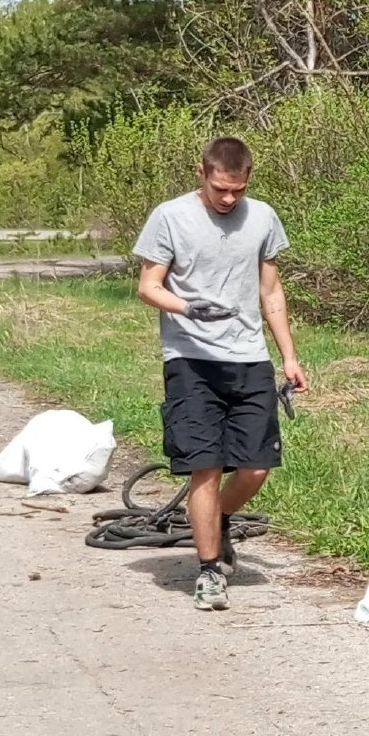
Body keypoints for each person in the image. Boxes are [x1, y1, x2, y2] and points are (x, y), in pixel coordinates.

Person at [133, 135, 306, 612]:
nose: (229, 199)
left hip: (249, 357)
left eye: (238, 190)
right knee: (204, 467)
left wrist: (288, 356)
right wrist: (188, 307)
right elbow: (148, 287)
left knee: (255, 467)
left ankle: (220, 520)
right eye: (220, 189)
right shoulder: (170, 217)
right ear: (201, 174)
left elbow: (271, 292)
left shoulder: (264, 218)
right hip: (190, 360)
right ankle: (209, 570)